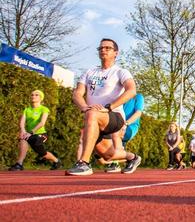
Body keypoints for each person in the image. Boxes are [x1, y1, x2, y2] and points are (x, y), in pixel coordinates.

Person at [66, 38, 141, 176]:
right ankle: (133, 157)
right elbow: (77, 93)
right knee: (107, 155)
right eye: (100, 48)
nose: (103, 50)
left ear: (116, 53)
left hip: (114, 116)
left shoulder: (120, 72)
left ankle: (84, 164)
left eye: (107, 48)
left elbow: (131, 90)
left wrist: (109, 107)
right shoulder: (89, 72)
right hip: (94, 117)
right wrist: (84, 107)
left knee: (92, 114)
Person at [8, 90, 62, 171]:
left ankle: (57, 161)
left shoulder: (44, 109)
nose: (33, 96)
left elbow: (42, 123)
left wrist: (30, 132)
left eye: (36, 95)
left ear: (41, 98)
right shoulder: (27, 109)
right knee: (23, 139)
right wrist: (23, 131)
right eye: (32, 95)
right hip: (29, 134)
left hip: (41, 134)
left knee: (42, 153)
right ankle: (19, 164)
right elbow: (22, 121)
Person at [104, 91, 144, 173]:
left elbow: (138, 112)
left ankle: (126, 160)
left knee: (116, 137)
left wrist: (126, 123)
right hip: (117, 124)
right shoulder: (118, 98)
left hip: (130, 126)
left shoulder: (138, 97)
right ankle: (128, 160)